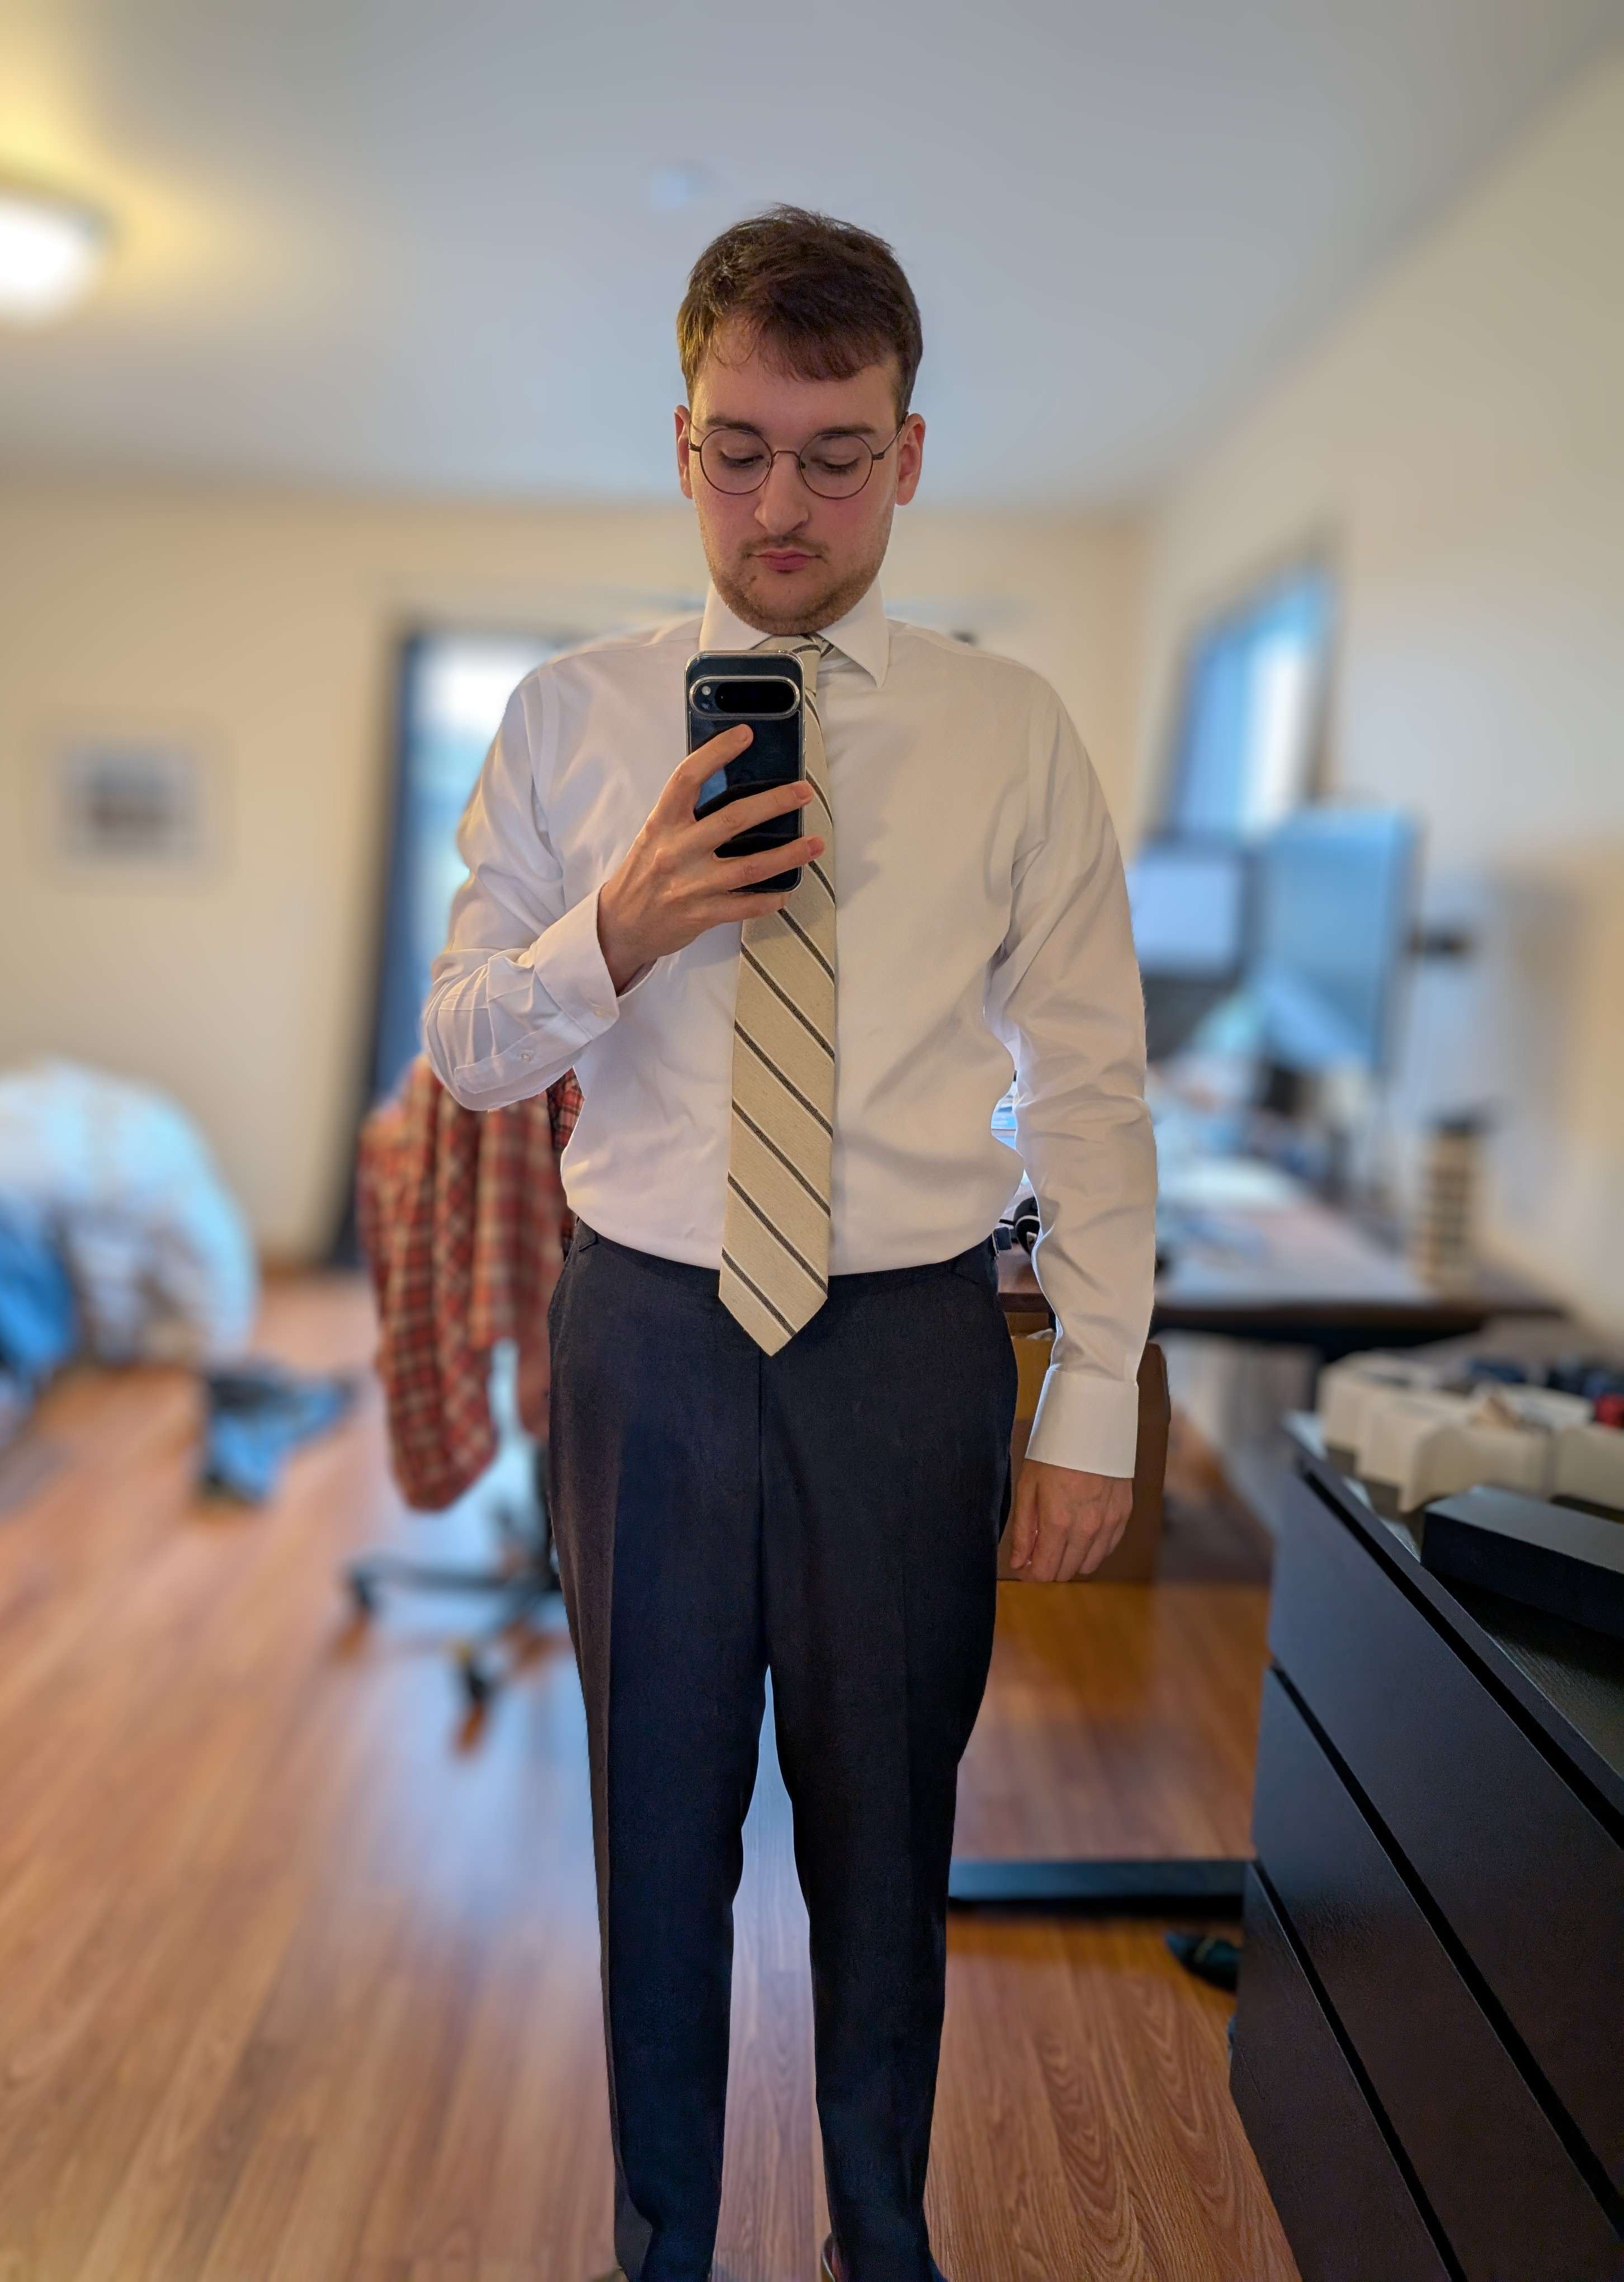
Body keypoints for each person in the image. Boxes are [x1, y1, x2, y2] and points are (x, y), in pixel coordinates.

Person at [422, 206, 1156, 2282]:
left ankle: (878, 2239)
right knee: (652, 1840)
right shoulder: (569, 717)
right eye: (739, 451)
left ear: (908, 456)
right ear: (683, 443)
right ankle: (664, 2244)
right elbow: (466, 1046)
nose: (783, 507)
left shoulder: (1013, 731)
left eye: (836, 457)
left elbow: (1091, 1081)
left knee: (887, 1838)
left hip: (911, 1351)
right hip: (646, 1343)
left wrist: (1095, 1394)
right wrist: (617, 929)